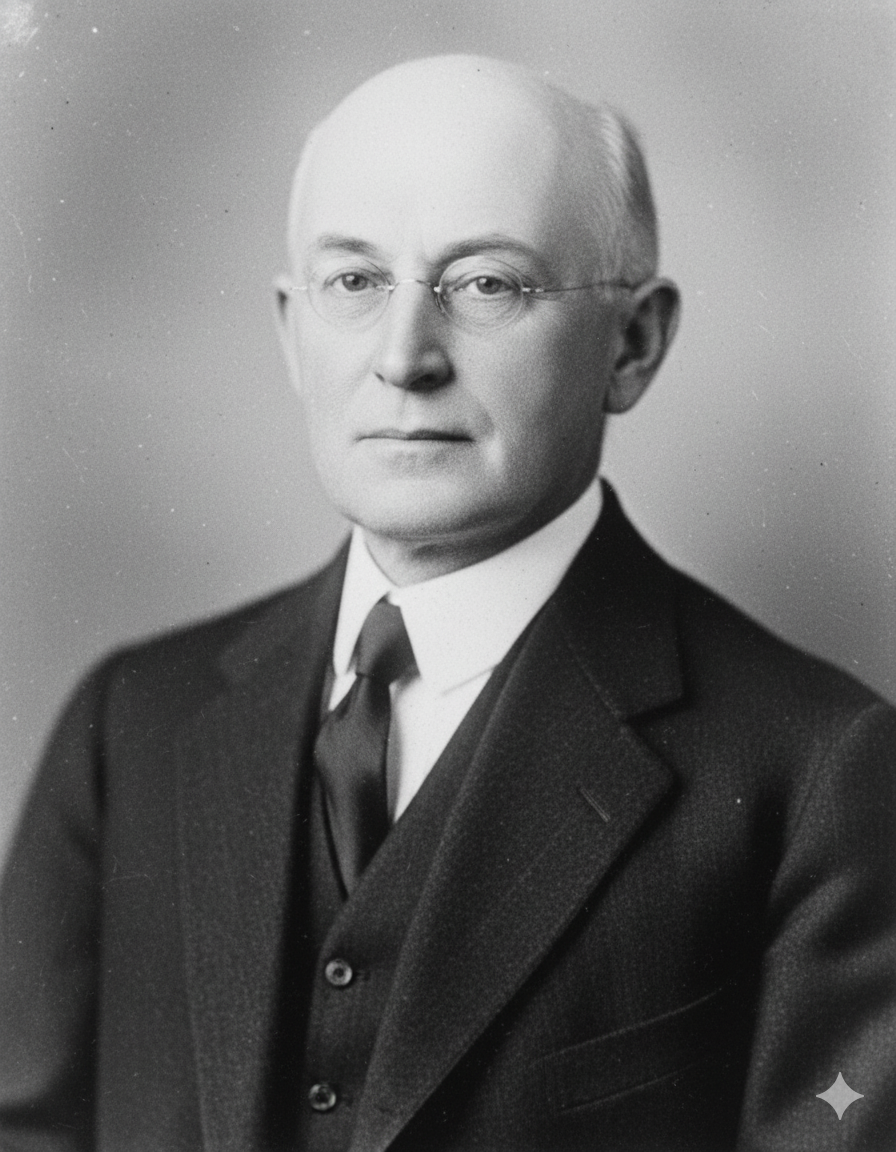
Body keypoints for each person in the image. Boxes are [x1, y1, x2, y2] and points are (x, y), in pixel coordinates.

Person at [1, 54, 893, 1152]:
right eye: (353, 282)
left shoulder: (817, 772)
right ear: (290, 332)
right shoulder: (132, 721)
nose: (402, 358)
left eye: (486, 285)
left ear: (633, 343)